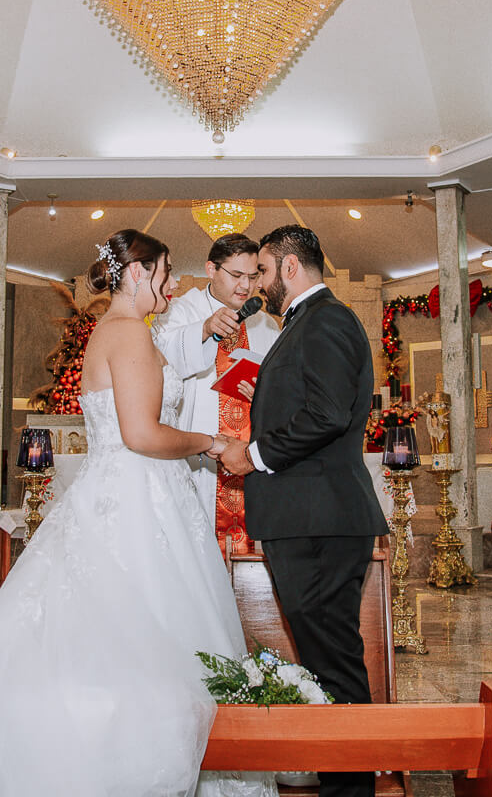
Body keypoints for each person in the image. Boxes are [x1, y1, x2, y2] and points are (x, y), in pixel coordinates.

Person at [0, 230, 275, 797]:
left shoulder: (112, 333)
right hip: (140, 498)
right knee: (150, 636)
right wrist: (209, 442)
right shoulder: (130, 334)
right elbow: (141, 434)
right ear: (137, 274)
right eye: (163, 273)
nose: (171, 284)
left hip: (123, 493)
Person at [217, 225, 390, 797]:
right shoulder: (306, 327)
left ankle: (351, 790)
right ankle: (347, 784)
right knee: (327, 663)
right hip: (310, 519)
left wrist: (254, 453)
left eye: (263, 270)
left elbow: (329, 415)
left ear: (290, 268)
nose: (258, 283)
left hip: (321, 522)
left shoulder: (329, 321)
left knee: (335, 667)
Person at [152, 232, 279, 551]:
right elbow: (161, 363)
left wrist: (263, 394)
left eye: (253, 276)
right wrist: (205, 329)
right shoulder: (179, 311)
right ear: (211, 269)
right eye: (236, 275)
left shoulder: (266, 325)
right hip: (200, 458)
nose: (246, 287)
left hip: (249, 456)